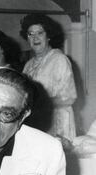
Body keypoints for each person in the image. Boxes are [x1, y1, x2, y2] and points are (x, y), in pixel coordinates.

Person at [20, 13, 77, 141]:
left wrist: (39, 104)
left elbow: (69, 97)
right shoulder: (28, 65)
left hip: (58, 122)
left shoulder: (59, 59)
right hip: (35, 122)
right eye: (30, 34)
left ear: (48, 36)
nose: (35, 38)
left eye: (40, 33)